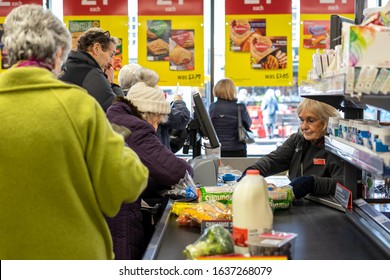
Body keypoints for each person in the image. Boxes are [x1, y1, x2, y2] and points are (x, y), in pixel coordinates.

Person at [0, 4, 149, 260]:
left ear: (8, 51)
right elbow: (128, 182)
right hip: (71, 257)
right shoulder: (79, 106)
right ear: (58, 54)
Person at [105, 81, 194, 259]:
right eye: (157, 121)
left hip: (107, 211)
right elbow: (176, 172)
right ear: (148, 113)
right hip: (120, 217)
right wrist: (187, 168)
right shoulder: (136, 128)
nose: (156, 126)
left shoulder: (115, 118)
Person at [243, 98, 344, 199]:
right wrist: (252, 172)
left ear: (328, 121)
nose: (304, 127)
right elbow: (273, 160)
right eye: (302, 120)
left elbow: (345, 185)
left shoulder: (338, 146)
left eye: (311, 120)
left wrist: (312, 183)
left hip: (330, 208)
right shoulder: (298, 140)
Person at [118, 64, 191, 152]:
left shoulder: (117, 102)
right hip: (157, 155)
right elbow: (182, 118)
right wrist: (178, 102)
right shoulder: (150, 102)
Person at [59, 27, 124, 112]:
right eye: (111, 55)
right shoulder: (92, 74)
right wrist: (112, 84)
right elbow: (120, 111)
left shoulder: (65, 66)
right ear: (96, 49)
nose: (111, 63)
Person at [209, 78, 252, 157]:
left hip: (218, 149)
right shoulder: (240, 107)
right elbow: (248, 124)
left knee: (218, 169)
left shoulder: (212, 107)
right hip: (237, 148)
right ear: (232, 90)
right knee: (238, 169)